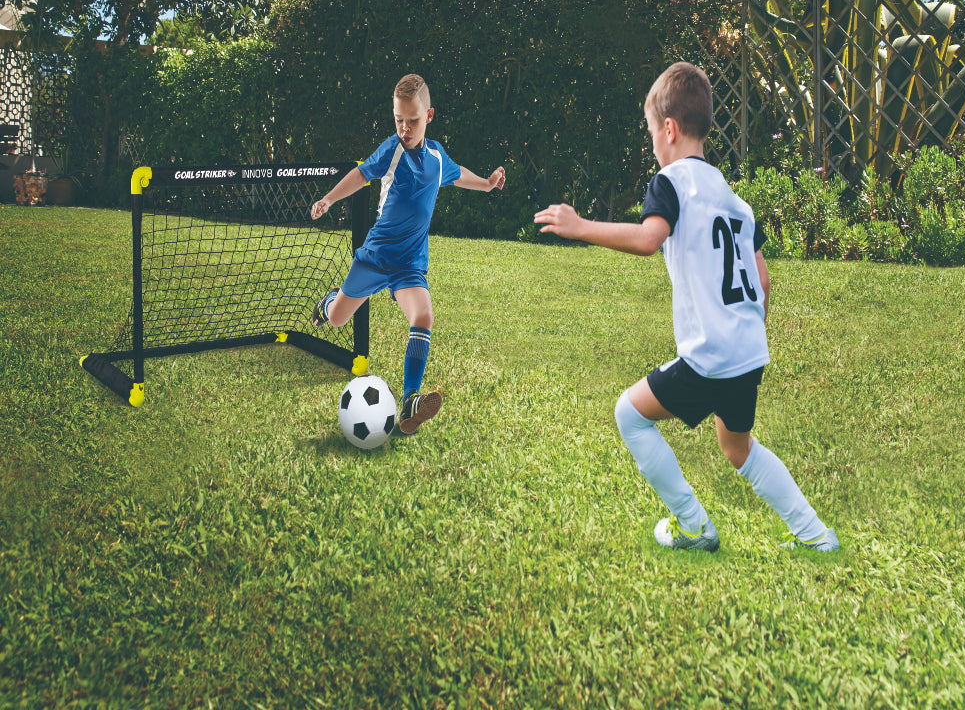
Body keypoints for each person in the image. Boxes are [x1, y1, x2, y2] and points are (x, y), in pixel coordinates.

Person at [534, 62, 839, 553]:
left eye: (652, 131)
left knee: (630, 415)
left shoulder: (670, 181)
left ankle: (693, 527)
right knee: (738, 449)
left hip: (711, 355)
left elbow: (649, 239)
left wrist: (580, 224)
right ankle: (816, 536)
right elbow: (761, 279)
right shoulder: (736, 200)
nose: (653, 141)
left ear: (669, 130)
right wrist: (745, 332)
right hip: (747, 352)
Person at [311, 73, 505, 435]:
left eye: (412, 121)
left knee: (423, 315)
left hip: (409, 265)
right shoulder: (392, 150)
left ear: (428, 116)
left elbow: (456, 173)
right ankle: (328, 303)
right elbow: (360, 175)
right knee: (338, 319)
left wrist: (487, 184)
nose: (405, 128)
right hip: (375, 259)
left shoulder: (435, 155)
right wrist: (329, 198)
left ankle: (410, 400)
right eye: (399, 120)